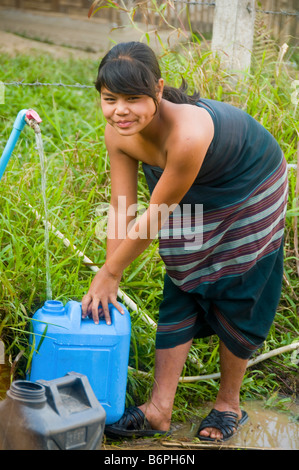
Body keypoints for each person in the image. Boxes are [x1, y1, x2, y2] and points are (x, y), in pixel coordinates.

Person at [81, 41, 288, 442]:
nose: (120, 110)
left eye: (133, 98)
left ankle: (229, 404)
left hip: (250, 184)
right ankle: (159, 409)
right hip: (190, 181)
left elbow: (155, 217)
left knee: (238, 285)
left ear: (158, 90)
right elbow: (122, 208)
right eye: (109, 99)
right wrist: (111, 278)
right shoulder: (118, 134)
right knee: (183, 269)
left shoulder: (189, 132)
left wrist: (110, 271)